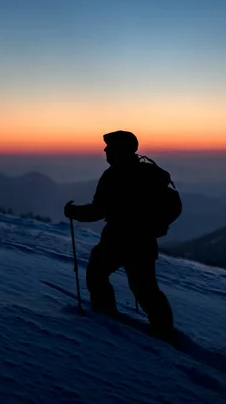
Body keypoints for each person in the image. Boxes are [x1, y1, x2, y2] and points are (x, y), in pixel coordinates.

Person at [64, 130, 174, 341]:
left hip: (118, 238)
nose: (105, 150)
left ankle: (105, 316)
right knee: (146, 289)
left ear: (120, 150)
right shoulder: (147, 173)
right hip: (143, 241)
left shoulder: (114, 176)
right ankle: (164, 331)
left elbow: (99, 210)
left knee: (97, 273)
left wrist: (74, 212)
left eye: (110, 147)